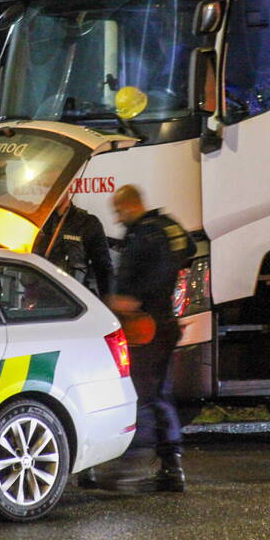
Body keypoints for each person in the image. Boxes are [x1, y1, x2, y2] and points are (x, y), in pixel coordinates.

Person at [101, 184, 194, 492]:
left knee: (140, 394)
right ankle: (172, 466)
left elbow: (142, 279)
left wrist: (132, 298)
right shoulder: (169, 227)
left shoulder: (144, 235)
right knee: (160, 394)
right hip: (166, 321)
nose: (117, 217)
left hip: (146, 326)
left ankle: (129, 467)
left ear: (130, 206)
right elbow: (188, 251)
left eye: (118, 210)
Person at [32, 193, 113, 297]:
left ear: (67, 187)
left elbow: (103, 268)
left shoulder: (87, 222)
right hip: (41, 303)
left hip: (76, 302)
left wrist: (108, 301)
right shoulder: (38, 223)